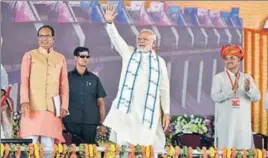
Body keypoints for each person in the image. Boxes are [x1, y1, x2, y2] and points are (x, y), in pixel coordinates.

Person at [103, 5, 170, 149]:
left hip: (149, 112)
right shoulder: (128, 53)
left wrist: (167, 112)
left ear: (153, 43)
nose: (141, 41)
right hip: (128, 110)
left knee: (146, 148)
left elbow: (164, 89)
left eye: (146, 39)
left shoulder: (160, 62)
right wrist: (110, 23)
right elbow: (116, 39)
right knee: (125, 147)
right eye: (139, 39)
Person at [19, 25, 69, 150]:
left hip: (51, 108)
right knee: (30, 146)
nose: (44, 39)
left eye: (47, 36)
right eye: (41, 36)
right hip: (32, 108)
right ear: (38, 39)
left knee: (48, 148)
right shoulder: (29, 56)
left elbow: (64, 84)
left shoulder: (60, 58)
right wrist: (24, 101)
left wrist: (64, 106)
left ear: (53, 39)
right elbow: (24, 81)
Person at [211, 44, 260, 149]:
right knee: (226, 151)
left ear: (239, 60)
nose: (229, 61)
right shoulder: (219, 78)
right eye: (226, 58)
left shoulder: (247, 78)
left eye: (232, 58)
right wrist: (230, 91)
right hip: (226, 125)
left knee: (244, 151)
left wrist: (248, 90)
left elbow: (257, 97)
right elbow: (215, 97)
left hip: (243, 125)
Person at [63, 47, 107, 145]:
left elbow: (101, 102)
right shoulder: (66, 77)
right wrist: (59, 122)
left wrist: (103, 123)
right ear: (76, 58)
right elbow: (60, 100)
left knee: (90, 152)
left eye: (87, 56)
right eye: (82, 56)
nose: (85, 58)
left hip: (90, 123)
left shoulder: (94, 79)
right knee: (72, 153)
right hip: (71, 122)